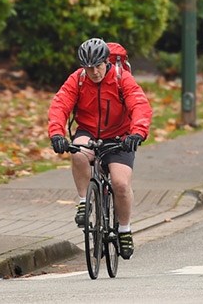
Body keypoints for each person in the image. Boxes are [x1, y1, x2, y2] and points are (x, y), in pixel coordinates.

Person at [48, 38, 152, 260]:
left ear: (106, 62)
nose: (94, 71)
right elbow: (60, 105)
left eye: (98, 66)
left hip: (120, 136)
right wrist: (56, 134)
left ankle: (124, 230)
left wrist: (137, 133)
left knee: (120, 184)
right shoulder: (77, 80)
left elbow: (139, 104)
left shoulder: (121, 78)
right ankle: (84, 201)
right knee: (77, 152)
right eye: (88, 67)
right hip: (88, 131)